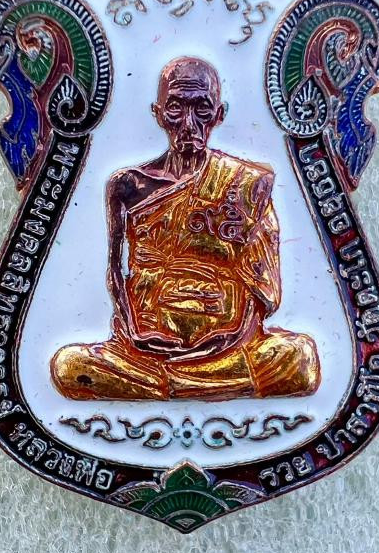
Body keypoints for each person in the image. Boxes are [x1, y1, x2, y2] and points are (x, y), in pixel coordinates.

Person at [51, 57, 320, 400]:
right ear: (159, 114)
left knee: (299, 359)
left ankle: (176, 385)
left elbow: (263, 287)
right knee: (69, 366)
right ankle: (195, 385)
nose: (189, 124)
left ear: (219, 115)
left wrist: (231, 336)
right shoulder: (128, 186)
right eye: (176, 108)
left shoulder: (245, 184)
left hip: (227, 343)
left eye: (202, 109)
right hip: (146, 345)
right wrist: (134, 334)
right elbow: (116, 271)